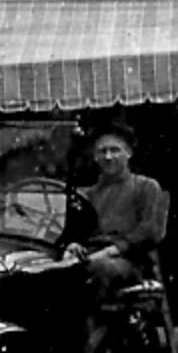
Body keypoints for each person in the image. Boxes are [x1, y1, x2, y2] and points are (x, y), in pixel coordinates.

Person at [63, 121, 168, 295]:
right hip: (91, 257)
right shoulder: (87, 195)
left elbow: (151, 231)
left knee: (94, 269)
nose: (108, 157)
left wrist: (113, 250)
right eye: (102, 151)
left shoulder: (146, 186)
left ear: (129, 153)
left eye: (115, 150)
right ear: (95, 157)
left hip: (132, 263)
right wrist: (73, 245)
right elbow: (74, 231)